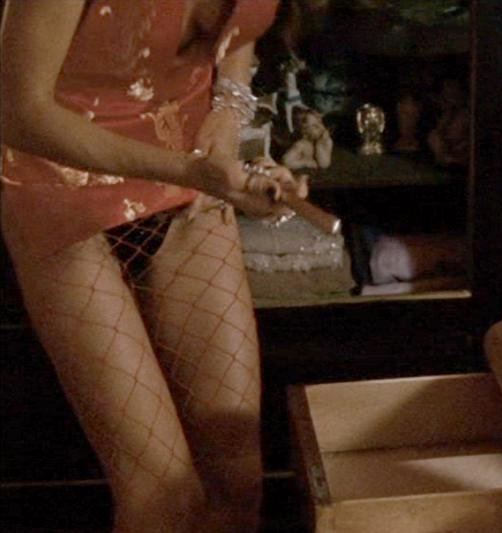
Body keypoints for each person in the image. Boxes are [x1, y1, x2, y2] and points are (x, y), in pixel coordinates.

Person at [0, 1, 291, 530]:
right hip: (63, 192)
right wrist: (191, 171)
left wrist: (228, 116)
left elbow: (241, 29)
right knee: (164, 500)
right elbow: (19, 112)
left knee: (237, 477)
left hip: (186, 182)